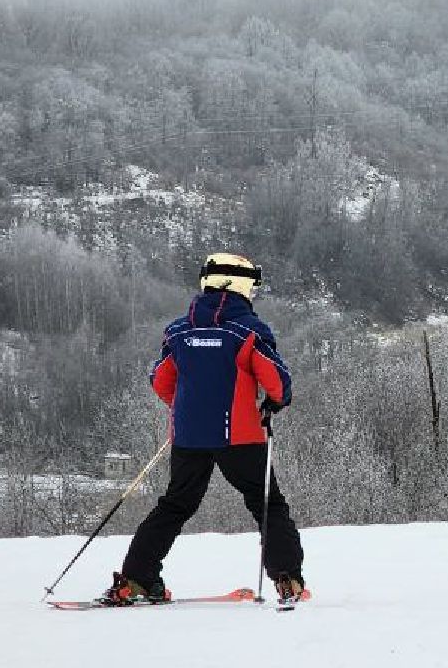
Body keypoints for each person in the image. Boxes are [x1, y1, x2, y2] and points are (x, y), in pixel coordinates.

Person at [101, 253, 309, 604]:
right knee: (266, 504)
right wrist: (275, 402)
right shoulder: (249, 331)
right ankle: (288, 580)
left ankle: (136, 579)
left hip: (189, 437)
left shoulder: (179, 331)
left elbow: (160, 380)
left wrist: (188, 410)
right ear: (244, 286)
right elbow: (278, 380)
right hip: (240, 436)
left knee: (175, 505)